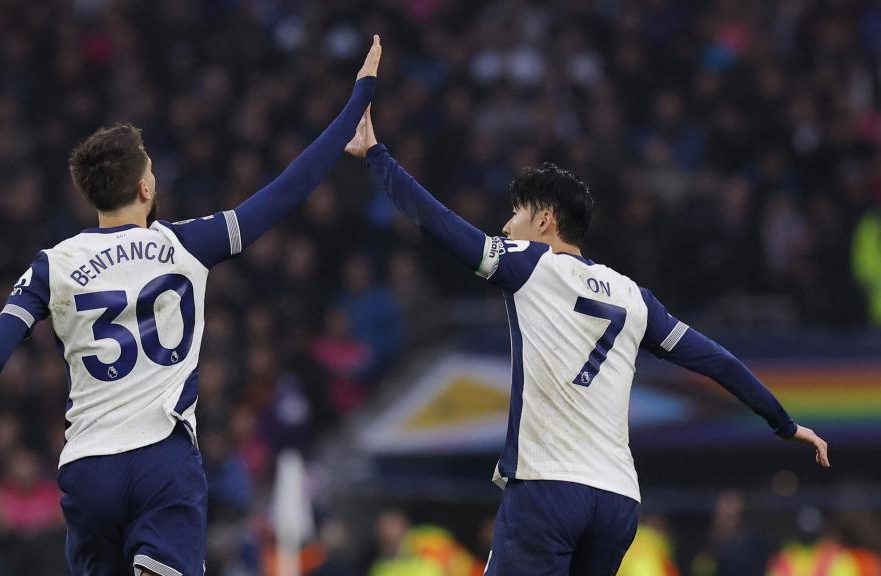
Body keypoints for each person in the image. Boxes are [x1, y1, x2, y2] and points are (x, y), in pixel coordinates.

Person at [0, 36, 383, 576]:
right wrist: (356, 101)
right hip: (162, 459)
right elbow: (288, 190)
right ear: (146, 187)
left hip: (88, 466)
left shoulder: (51, 265)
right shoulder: (187, 244)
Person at [343, 107, 830, 576]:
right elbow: (715, 360)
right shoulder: (634, 296)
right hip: (617, 501)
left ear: (545, 221)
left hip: (548, 488)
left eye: (516, 212)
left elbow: (440, 224)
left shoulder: (528, 263)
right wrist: (782, 423)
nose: (507, 225)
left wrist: (377, 157)